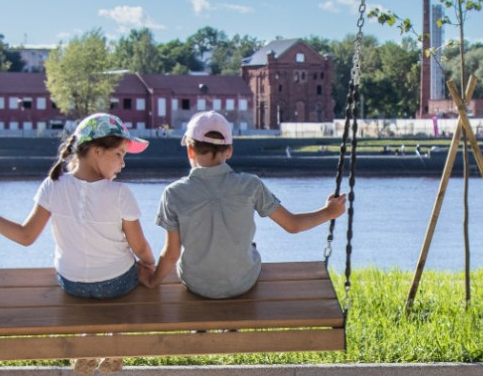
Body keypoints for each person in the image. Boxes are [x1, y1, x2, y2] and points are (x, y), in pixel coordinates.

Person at [0, 113, 156, 374]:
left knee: (97, 283)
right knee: (131, 277)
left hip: (71, 283)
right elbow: (140, 246)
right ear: (97, 151)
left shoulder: (53, 186)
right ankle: (113, 342)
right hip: (116, 283)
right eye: (120, 154)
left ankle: (87, 340)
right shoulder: (120, 193)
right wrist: (148, 264)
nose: (123, 164)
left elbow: (25, 236)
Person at [144, 110, 346, 299]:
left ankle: (201, 331)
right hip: (242, 283)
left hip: (197, 284)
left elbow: (171, 254)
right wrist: (329, 211)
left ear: (190, 150)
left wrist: (153, 281)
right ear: (229, 151)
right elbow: (292, 225)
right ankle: (231, 330)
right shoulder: (250, 185)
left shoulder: (173, 193)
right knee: (251, 248)